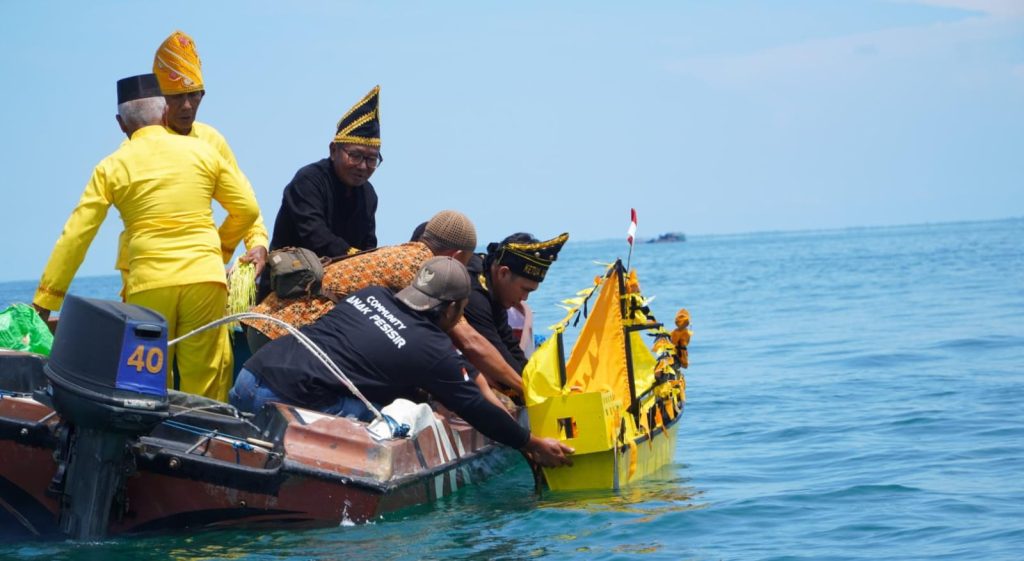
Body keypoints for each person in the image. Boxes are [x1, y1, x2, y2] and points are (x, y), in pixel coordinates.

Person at [32, 74, 260, 402]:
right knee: (206, 381)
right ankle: (205, 429)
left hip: (149, 284)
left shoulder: (111, 166)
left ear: (121, 124)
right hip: (205, 280)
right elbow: (247, 209)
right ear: (165, 112)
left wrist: (46, 300)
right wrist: (218, 250)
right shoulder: (203, 152)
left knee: (150, 381)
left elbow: (77, 236)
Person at [230, 257, 573, 468]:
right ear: (453, 308)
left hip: (248, 378)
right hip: (284, 404)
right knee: (404, 413)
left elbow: (372, 354)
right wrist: (529, 443)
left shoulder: (371, 294)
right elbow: (475, 408)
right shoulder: (433, 349)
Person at [244, 210, 527, 397]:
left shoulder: (400, 252)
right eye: (464, 264)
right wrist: (523, 389)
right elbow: (471, 342)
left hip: (266, 320)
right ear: (455, 256)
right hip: (286, 332)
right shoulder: (423, 269)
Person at [150, 30, 270, 276]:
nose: (187, 106)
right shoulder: (146, 142)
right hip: (154, 268)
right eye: (177, 97)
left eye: (193, 95)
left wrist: (257, 243)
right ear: (159, 99)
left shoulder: (212, 140)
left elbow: (245, 199)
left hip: (201, 267)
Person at [464, 232, 569, 375]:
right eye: (525, 289)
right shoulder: (474, 294)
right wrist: (528, 386)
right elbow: (497, 354)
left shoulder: (492, 284)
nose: (525, 298)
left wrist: (538, 380)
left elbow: (509, 345)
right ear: (503, 273)